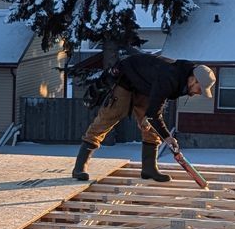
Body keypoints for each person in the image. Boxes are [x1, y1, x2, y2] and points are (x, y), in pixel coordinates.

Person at [73, 55, 215, 182]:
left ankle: (149, 169)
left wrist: (148, 119)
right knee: (108, 118)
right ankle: (80, 167)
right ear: (193, 80)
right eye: (199, 89)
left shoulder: (182, 78)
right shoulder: (170, 77)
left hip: (146, 87)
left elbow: (153, 111)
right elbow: (154, 114)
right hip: (127, 80)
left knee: (151, 128)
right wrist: (167, 136)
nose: (198, 93)